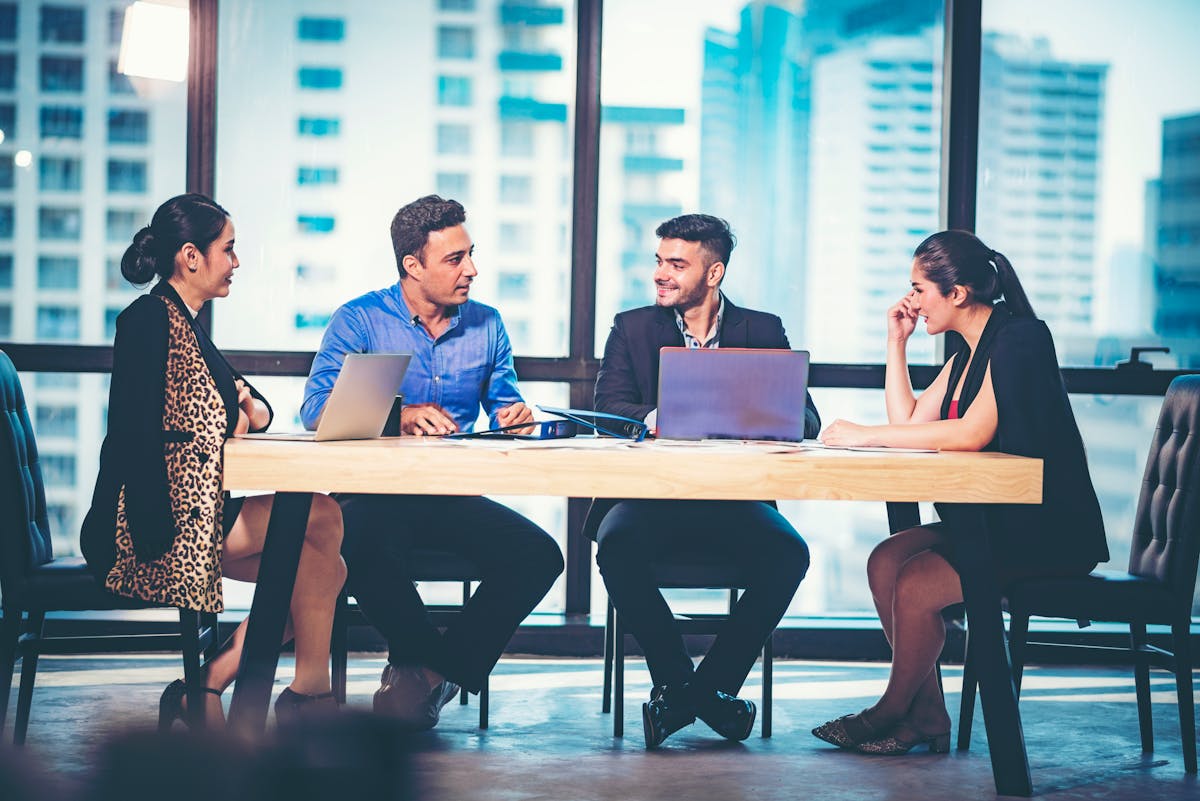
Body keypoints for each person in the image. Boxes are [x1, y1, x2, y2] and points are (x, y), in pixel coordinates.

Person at [812, 229, 1108, 755]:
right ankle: (926, 716)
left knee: (919, 582)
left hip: (1045, 531)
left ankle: (890, 712)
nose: (911, 301)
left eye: (919, 289)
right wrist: (896, 343)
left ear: (957, 293)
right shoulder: (967, 353)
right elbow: (907, 422)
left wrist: (862, 434)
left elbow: (971, 433)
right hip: (995, 522)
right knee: (885, 561)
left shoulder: (1020, 338)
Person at [81, 193, 348, 728]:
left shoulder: (189, 325)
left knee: (322, 567)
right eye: (229, 249)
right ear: (191, 256)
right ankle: (295, 697)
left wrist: (243, 410)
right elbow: (133, 432)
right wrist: (153, 523)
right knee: (322, 515)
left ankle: (216, 686)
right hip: (146, 522)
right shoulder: (148, 321)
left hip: (195, 510)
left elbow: (258, 411)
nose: (236, 261)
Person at [301, 194, 564, 731]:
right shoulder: (360, 320)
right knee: (361, 545)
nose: (471, 269)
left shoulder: (487, 324)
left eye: (470, 254)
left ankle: (429, 674)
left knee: (539, 555)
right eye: (454, 259)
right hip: (374, 495)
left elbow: (504, 402)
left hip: (452, 494)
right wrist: (399, 415)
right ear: (412, 266)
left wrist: (515, 413)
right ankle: (426, 668)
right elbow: (315, 410)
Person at [586, 213, 818, 749]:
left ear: (713, 274)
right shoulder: (632, 326)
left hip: (734, 501)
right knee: (614, 545)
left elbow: (806, 420)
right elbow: (608, 409)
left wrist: (741, 416)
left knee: (790, 554)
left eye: (676, 264)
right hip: (649, 497)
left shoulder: (761, 330)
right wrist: (662, 416)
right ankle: (687, 687)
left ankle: (696, 692)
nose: (661, 274)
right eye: (659, 261)